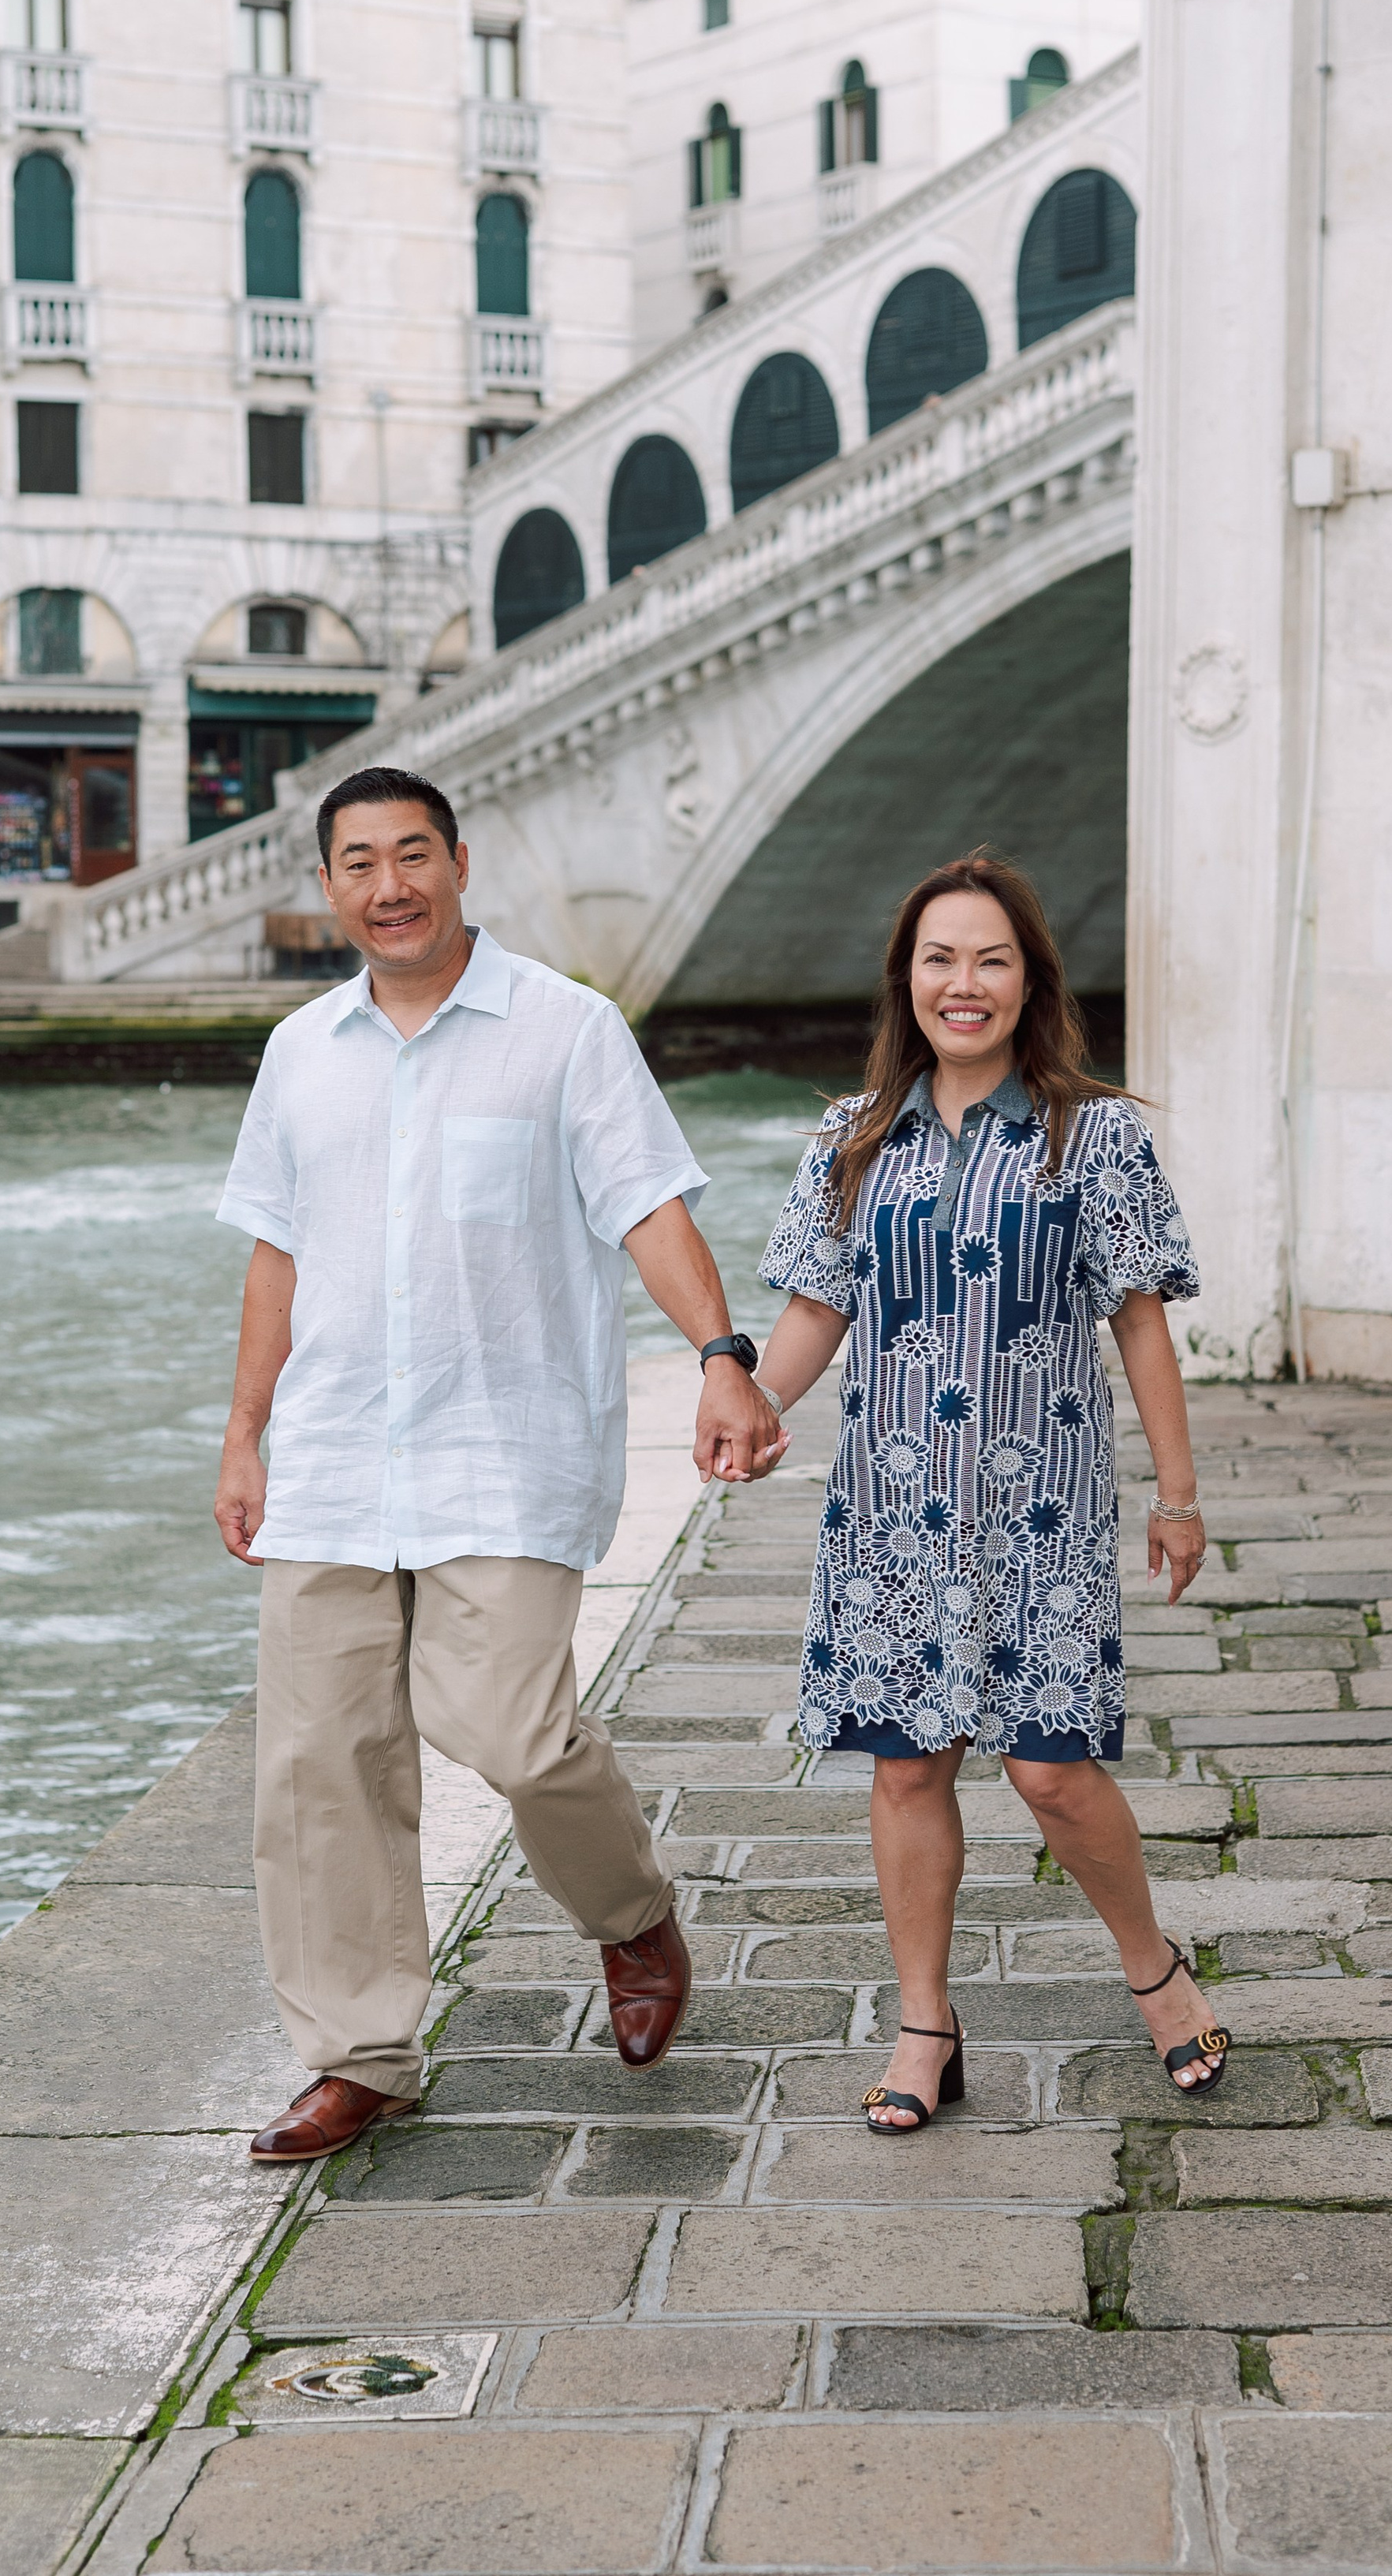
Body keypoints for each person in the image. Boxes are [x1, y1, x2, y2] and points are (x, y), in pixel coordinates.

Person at [214, 765, 785, 2161]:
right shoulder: (301, 1052)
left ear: (461, 864)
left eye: (413, 855)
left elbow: (648, 1206)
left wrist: (722, 1355)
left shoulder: (566, 1029)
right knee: (321, 1766)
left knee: (515, 1735)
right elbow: (278, 1256)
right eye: (360, 863)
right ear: (329, 887)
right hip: (335, 1452)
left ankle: (631, 1917)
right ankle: (360, 2055)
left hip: (504, 1446)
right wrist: (243, 1435)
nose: (390, 886)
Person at [749, 852, 1228, 2128]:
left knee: (1052, 1772)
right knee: (908, 1770)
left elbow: (1138, 1322)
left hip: (1044, 1515)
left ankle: (1155, 1971)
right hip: (892, 1516)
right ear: (906, 981)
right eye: (940, 959)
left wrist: (1178, 1495)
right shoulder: (851, 1139)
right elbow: (817, 1310)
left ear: (1030, 982)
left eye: (991, 960)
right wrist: (750, 1401)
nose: (964, 984)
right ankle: (925, 2026)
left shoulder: (1095, 1134)